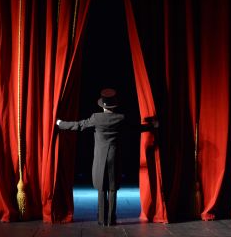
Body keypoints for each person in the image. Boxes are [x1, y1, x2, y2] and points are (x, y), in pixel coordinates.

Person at [56, 88, 157, 226]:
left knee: (101, 188)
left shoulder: (97, 118)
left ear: (102, 106)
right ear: (114, 105)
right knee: (113, 188)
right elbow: (136, 128)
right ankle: (111, 219)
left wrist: (60, 124)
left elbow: (79, 125)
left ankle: (102, 219)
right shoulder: (120, 118)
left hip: (100, 158)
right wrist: (152, 126)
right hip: (114, 157)